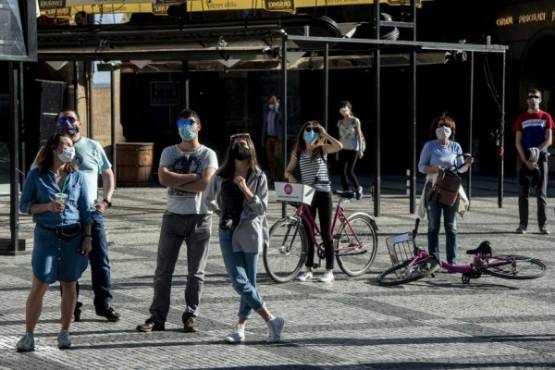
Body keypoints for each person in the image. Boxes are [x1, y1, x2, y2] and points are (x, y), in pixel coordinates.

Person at [136, 109, 218, 333]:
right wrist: (193, 177)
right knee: (163, 271)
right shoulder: (168, 152)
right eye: (181, 123)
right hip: (172, 217)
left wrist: (177, 180)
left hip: (200, 218)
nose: (186, 127)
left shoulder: (208, 154)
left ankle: (190, 314)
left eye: (190, 122)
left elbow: (205, 185)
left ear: (199, 126)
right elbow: (163, 178)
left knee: (196, 272)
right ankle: (157, 317)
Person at [206, 133, 284, 343]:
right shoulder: (221, 175)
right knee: (240, 282)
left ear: (251, 148)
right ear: (231, 150)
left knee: (249, 283)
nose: (240, 147)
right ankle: (271, 319)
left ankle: (240, 329)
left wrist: (245, 188)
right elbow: (207, 199)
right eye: (236, 144)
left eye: (244, 144)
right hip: (227, 232)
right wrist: (220, 212)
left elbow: (261, 208)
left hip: (250, 232)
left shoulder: (259, 176)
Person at [16, 134, 92, 352]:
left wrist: (88, 237)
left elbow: (86, 211)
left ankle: (65, 332)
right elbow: (24, 205)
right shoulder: (37, 175)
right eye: (66, 145)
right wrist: (47, 207)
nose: (70, 149)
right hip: (46, 236)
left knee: (69, 284)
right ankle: (29, 335)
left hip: (73, 237)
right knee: (40, 284)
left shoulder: (78, 177)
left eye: (71, 146)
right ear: (53, 149)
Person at [54, 110, 119, 322]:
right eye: (62, 120)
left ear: (80, 123)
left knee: (100, 260)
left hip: (92, 212)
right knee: (68, 262)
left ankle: (104, 304)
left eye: (72, 119)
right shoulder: (53, 149)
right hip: (67, 215)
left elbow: (107, 173)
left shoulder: (93, 146)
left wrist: (106, 199)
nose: (68, 123)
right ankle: (72, 306)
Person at [284, 120, 343, 283]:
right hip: (307, 192)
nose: (310, 132)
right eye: (308, 129)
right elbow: (287, 170)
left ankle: (329, 270)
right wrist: (291, 177)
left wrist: (324, 134)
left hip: (324, 192)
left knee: (325, 232)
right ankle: (308, 268)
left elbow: (339, 146)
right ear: (303, 132)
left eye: (314, 130)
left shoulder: (322, 148)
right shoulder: (298, 151)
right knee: (308, 232)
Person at [418, 115, 473, 264]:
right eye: (440, 125)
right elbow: (421, 167)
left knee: (451, 227)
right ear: (435, 129)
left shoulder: (456, 146)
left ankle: (452, 261)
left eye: (446, 126)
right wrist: (434, 168)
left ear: (452, 129)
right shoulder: (430, 146)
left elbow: (460, 169)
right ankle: (434, 260)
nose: (443, 129)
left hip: (451, 189)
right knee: (433, 225)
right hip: (434, 188)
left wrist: (467, 164)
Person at [513, 88, 553, 234]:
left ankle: (543, 225)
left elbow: (549, 140)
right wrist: (526, 159)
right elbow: (517, 142)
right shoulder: (521, 119)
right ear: (526, 100)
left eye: (536, 97)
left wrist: (536, 152)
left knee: (541, 193)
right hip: (524, 159)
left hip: (541, 159)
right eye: (530, 97)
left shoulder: (546, 117)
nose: (533, 99)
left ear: (540, 99)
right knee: (523, 194)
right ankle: (522, 225)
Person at [336, 101, 365, 199]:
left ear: (349, 108)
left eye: (345, 107)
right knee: (342, 171)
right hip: (343, 148)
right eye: (341, 108)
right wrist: (337, 151)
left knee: (349, 171)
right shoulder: (339, 122)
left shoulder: (355, 121)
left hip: (353, 149)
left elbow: (359, 136)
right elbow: (339, 137)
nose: (343, 110)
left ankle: (358, 188)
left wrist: (360, 150)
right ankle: (346, 191)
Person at [261, 95, 284, 183]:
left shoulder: (279, 112)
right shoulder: (267, 112)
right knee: (270, 159)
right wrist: (263, 139)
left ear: (277, 102)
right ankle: (273, 177)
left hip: (277, 139)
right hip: (269, 138)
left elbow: (283, 120)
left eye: (274, 102)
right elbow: (264, 126)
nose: (272, 104)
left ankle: (281, 175)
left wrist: (277, 110)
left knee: (277, 157)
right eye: (271, 102)